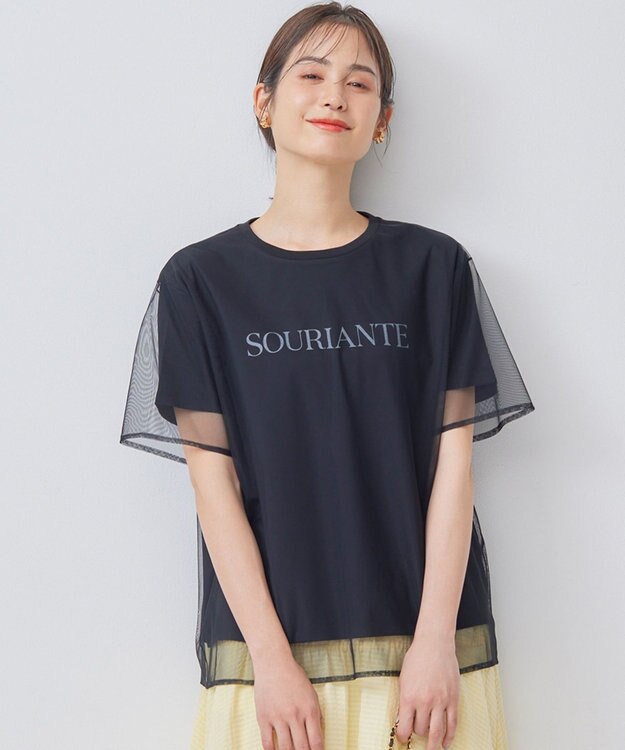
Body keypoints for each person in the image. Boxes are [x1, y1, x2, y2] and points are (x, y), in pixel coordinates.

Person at [119, 3, 535, 749]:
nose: (335, 96)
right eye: (311, 75)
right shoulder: (200, 282)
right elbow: (212, 489)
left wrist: (434, 644)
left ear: (382, 119)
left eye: (360, 82)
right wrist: (271, 663)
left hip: (425, 665)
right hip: (270, 670)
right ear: (264, 101)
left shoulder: (432, 268)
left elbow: (455, 469)